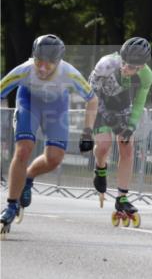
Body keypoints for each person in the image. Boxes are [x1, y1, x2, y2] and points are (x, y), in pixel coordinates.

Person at [0, 35, 98, 233]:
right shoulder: (24, 70)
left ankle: (28, 176)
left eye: (49, 64)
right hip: (29, 104)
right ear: (33, 57)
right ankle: (11, 206)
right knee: (24, 150)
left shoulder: (69, 73)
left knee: (54, 159)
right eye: (39, 62)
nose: (43, 68)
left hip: (56, 107)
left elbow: (92, 99)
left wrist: (87, 131)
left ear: (59, 62)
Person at [88, 37, 152, 223]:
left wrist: (131, 125)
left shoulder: (146, 76)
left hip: (122, 107)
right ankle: (100, 167)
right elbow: (90, 93)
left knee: (127, 147)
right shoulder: (106, 64)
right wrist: (97, 116)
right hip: (100, 103)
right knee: (103, 146)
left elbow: (139, 102)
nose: (126, 69)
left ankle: (122, 198)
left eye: (132, 67)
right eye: (124, 63)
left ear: (141, 67)